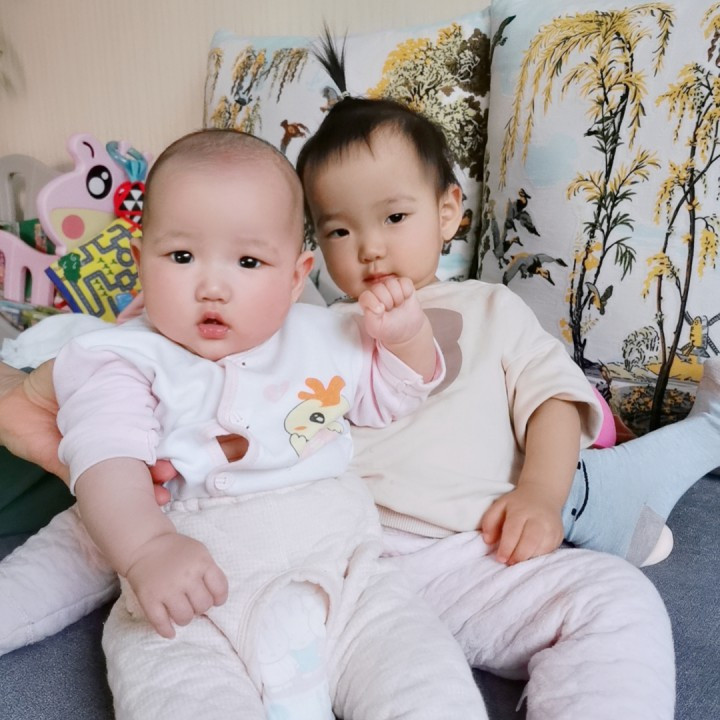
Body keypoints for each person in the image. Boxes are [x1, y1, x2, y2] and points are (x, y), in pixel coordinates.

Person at [3, 51, 718, 720]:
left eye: (395, 217)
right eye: (339, 232)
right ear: (310, 256)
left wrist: (540, 493)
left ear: (448, 212)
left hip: (466, 553)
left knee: (614, 599)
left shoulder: (490, 307)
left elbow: (549, 401)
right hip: (349, 552)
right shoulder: (310, 326)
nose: (370, 247)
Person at [1, 128, 488, 720]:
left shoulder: (329, 336)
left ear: (295, 276)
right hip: (195, 603)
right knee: (175, 686)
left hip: (346, 581)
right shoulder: (122, 360)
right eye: (181, 257)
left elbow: (393, 397)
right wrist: (148, 548)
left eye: (249, 261)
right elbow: (106, 461)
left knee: (426, 682)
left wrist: (406, 338)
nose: (212, 286)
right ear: (139, 260)